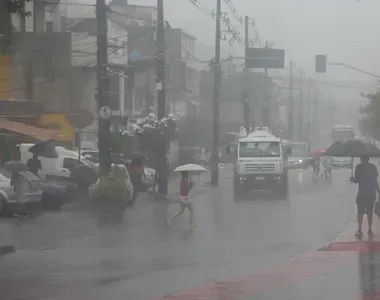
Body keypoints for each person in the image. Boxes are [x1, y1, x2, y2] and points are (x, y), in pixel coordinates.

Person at [350, 156, 380, 238]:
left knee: (360, 212)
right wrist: (378, 191)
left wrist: (352, 179)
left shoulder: (358, 167)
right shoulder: (373, 168)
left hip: (362, 193)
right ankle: (370, 229)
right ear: (368, 158)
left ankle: (359, 229)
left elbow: (356, 180)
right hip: (371, 193)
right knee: (370, 212)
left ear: (361, 159)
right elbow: (375, 181)